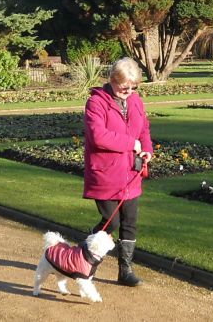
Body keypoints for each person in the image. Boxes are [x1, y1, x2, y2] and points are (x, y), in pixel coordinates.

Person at [82, 57, 153, 287]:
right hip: (105, 174)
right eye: (125, 87)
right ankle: (85, 258)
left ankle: (125, 271)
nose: (129, 91)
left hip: (131, 173)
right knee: (111, 222)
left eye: (134, 87)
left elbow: (144, 130)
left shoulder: (136, 101)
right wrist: (131, 144)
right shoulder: (96, 103)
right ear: (113, 80)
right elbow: (98, 136)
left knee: (130, 222)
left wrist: (147, 150)